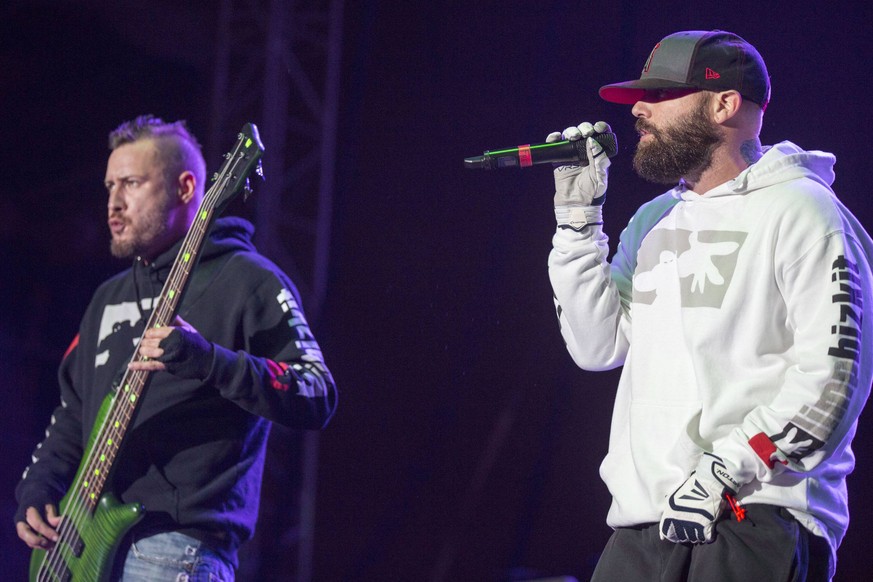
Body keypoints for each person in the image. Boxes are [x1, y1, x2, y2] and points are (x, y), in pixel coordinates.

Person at [546, 30, 873, 580]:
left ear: (724, 103)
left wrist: (725, 469)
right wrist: (579, 223)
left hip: (757, 512)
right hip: (644, 522)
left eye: (663, 95)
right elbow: (597, 346)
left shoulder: (805, 210)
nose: (641, 110)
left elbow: (834, 379)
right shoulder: (655, 219)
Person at [14, 115, 338, 580]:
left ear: (186, 188)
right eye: (109, 186)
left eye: (130, 183)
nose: (113, 203)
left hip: (174, 551)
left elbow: (317, 391)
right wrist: (38, 489)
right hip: (74, 547)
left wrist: (209, 360)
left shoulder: (249, 280)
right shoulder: (106, 297)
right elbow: (72, 414)